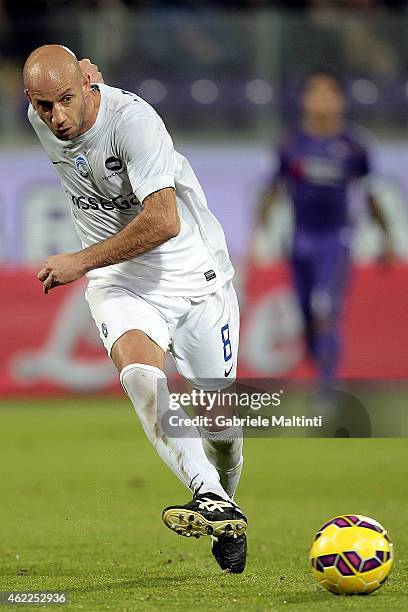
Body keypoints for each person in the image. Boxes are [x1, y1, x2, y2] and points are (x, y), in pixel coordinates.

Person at [23, 45, 246, 573]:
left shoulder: (136, 123)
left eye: (66, 101)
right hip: (121, 283)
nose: (56, 118)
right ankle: (209, 495)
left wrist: (80, 259)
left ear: (87, 84)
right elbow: (60, 94)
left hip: (191, 275)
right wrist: (95, 268)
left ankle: (227, 493)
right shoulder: (43, 112)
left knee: (219, 423)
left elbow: (164, 220)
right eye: (43, 105)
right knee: (142, 379)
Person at [257, 69, 393, 384]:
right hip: (299, 241)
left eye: (329, 93)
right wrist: (259, 233)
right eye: (315, 92)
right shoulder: (290, 143)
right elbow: (271, 190)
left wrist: (385, 239)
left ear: (340, 101)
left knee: (326, 308)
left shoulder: (354, 145)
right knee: (306, 313)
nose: (322, 100)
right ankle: (319, 358)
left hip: (336, 241)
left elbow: (371, 194)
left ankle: (327, 387)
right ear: (304, 100)